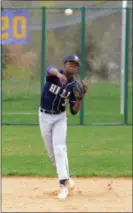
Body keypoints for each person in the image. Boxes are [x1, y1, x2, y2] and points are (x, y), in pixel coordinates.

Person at [39, 54, 88, 199]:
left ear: (77, 68)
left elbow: (73, 111)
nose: (72, 65)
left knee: (59, 148)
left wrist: (79, 99)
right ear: (65, 64)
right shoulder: (54, 75)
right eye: (70, 63)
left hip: (60, 117)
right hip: (44, 117)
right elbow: (49, 69)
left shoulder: (74, 86)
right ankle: (67, 178)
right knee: (53, 156)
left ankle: (63, 185)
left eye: (75, 64)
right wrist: (58, 75)